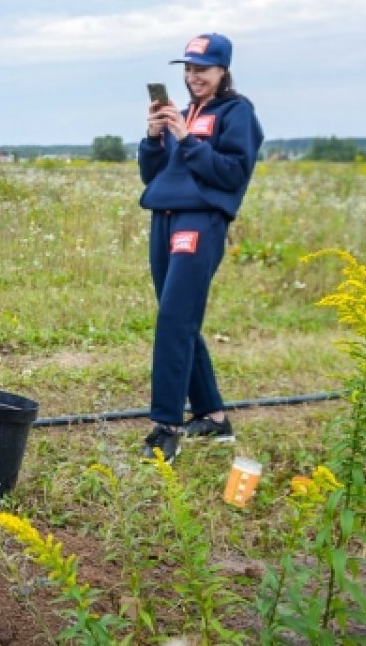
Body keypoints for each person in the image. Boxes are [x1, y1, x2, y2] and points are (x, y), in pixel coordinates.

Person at [137, 33, 264, 462]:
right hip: (165, 217)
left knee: (174, 319)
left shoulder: (237, 112)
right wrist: (154, 138)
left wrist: (188, 139)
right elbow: (154, 174)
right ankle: (212, 417)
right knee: (179, 319)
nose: (193, 77)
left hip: (200, 221)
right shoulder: (186, 111)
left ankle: (166, 425)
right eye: (188, 69)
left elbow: (231, 173)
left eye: (202, 70)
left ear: (222, 70)